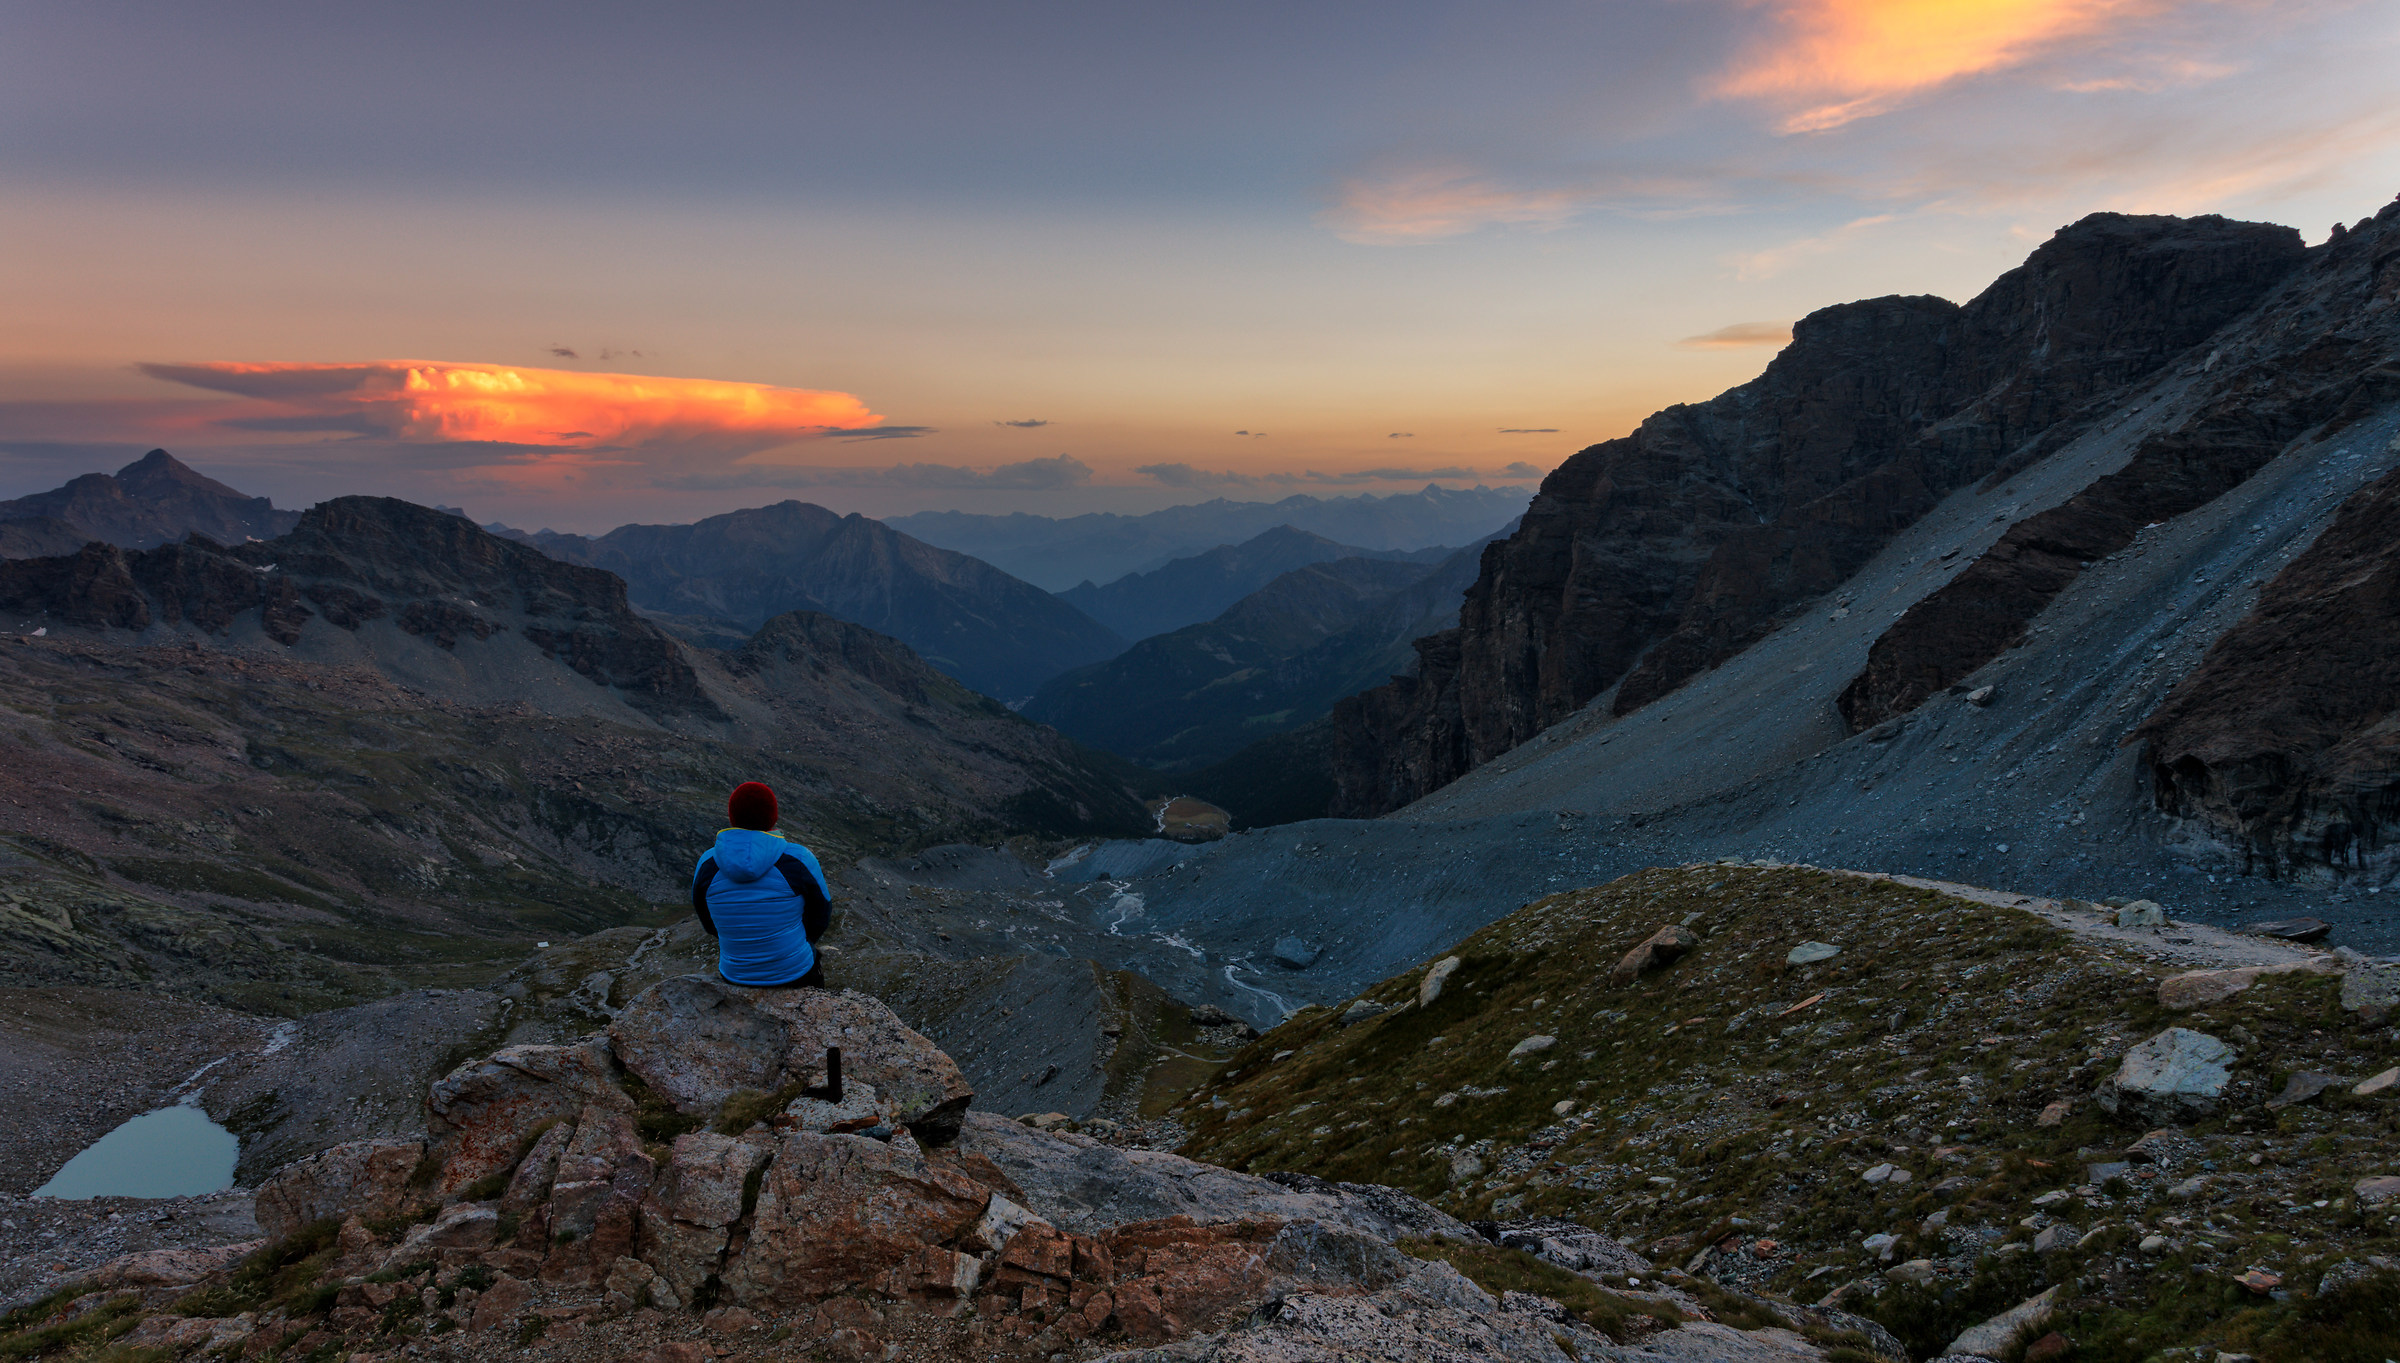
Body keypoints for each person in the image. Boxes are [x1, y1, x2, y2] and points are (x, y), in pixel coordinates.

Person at [691, 781, 832, 988]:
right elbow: (821, 914)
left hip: (735, 974)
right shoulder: (799, 858)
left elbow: (707, 920)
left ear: (732, 817)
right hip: (794, 973)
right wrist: (797, 940)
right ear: (773, 817)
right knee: (812, 957)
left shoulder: (707, 863)